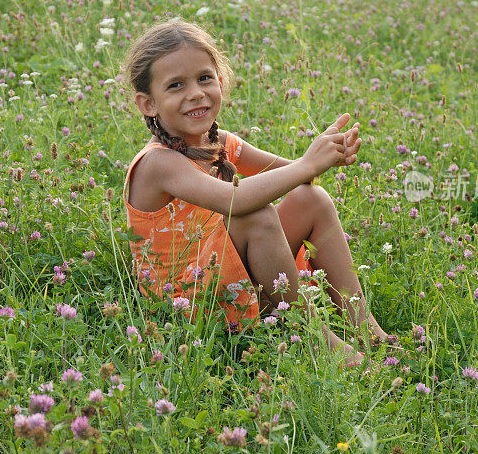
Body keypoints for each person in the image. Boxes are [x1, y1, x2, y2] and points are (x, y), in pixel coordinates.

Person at [121, 20, 388, 366]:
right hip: (187, 305)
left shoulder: (221, 143)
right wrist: (307, 164)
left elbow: (289, 174)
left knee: (312, 199)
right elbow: (238, 199)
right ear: (148, 104)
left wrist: (325, 157)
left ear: (220, 79)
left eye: (204, 77)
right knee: (255, 215)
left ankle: (367, 330)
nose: (196, 93)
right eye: (175, 85)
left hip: (227, 276)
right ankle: (321, 344)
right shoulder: (158, 163)